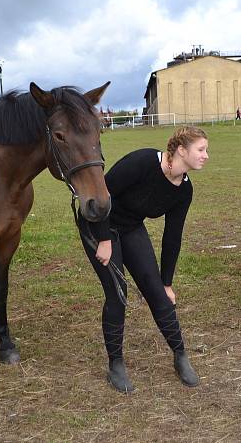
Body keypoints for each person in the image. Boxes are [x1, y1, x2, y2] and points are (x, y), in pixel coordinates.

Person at [81, 126, 209, 393]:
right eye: (201, 149)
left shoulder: (184, 190)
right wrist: (104, 239)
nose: (206, 155)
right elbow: (103, 196)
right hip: (98, 224)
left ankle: (180, 355)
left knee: (157, 293)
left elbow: (172, 237)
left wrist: (167, 282)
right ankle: (116, 364)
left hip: (130, 227)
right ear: (182, 151)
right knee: (118, 293)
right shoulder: (142, 162)